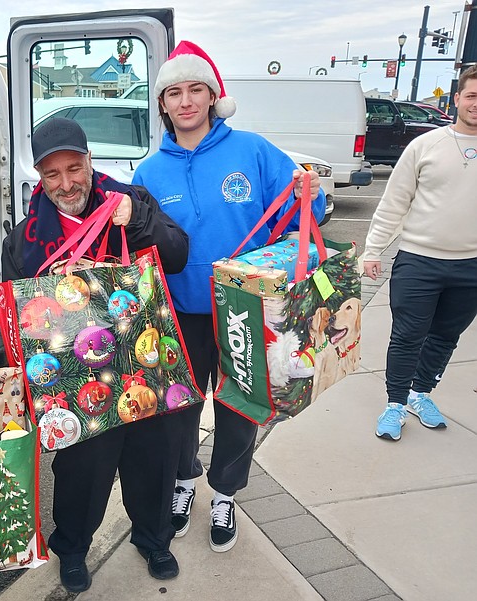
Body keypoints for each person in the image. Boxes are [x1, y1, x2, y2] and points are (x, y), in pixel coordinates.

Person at [132, 41, 325, 553]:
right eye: (174, 92)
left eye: (196, 89)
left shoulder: (253, 151)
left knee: (240, 407)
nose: (186, 100)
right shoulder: (149, 171)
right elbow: (139, 245)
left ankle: (224, 494)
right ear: (163, 104)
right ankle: (184, 480)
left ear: (214, 97)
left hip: (245, 308)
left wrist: (309, 192)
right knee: (179, 407)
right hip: (180, 312)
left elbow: (303, 209)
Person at [2, 118, 189, 592]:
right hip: (74, 376)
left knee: (154, 456)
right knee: (82, 467)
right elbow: (18, 321)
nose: (66, 184)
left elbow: (179, 255)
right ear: (40, 179)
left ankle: (153, 537)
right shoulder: (24, 240)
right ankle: (73, 548)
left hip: (144, 361)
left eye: (74, 167)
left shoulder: (130, 202)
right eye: (52, 175)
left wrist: (139, 221)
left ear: (89, 161)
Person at [365, 66, 477, 441]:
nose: (476, 105)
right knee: (407, 335)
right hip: (419, 259)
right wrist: (372, 250)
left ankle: (421, 393)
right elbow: (394, 203)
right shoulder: (425, 146)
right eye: (472, 96)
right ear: (457, 99)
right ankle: (395, 403)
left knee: (446, 335)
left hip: (470, 265)